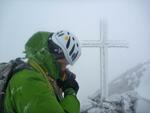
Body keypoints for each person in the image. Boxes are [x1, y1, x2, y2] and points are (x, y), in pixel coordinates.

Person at [4, 30, 81, 113]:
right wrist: (70, 91)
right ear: (59, 58)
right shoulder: (30, 81)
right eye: (66, 64)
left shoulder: (37, 72)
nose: (64, 69)